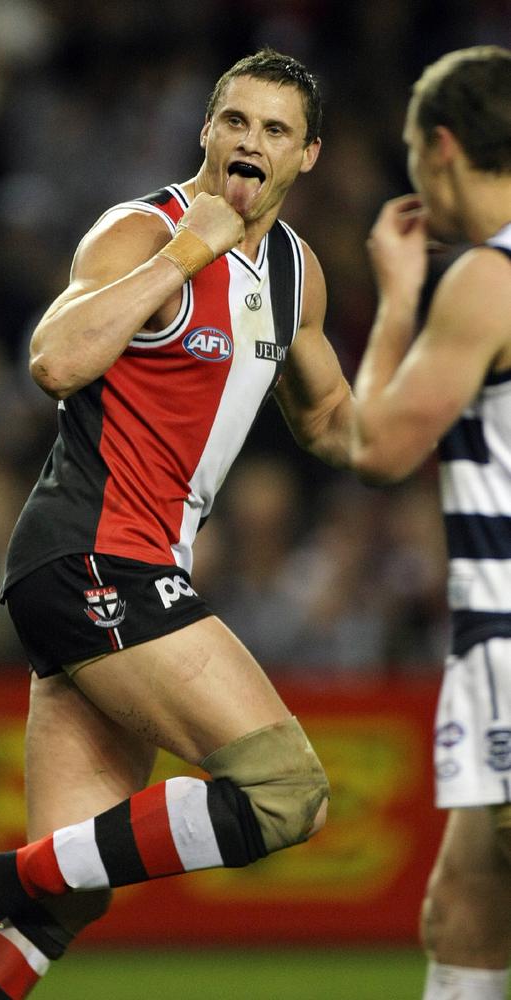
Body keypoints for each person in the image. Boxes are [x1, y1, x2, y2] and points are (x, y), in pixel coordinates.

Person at [0, 48, 354, 999]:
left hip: (117, 572)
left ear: (305, 157)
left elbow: (329, 423)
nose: (249, 142)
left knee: (75, 887)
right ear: (206, 129)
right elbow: (56, 359)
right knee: (287, 792)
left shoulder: (297, 274)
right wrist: (189, 254)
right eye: (235, 120)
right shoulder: (144, 230)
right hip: (95, 555)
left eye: (274, 130)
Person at [350, 46, 511, 1000]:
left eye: (412, 151)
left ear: (442, 147)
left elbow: (376, 446)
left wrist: (400, 294)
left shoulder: (487, 281)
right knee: (462, 905)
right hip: (492, 645)